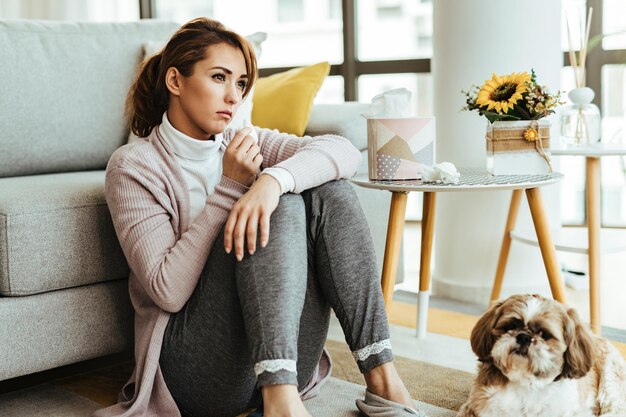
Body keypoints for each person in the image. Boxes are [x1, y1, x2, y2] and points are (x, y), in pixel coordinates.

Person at [94, 17, 426, 417]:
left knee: (322, 189)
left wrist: (270, 180)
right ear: (175, 81)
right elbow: (167, 290)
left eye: (240, 83)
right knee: (281, 204)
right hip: (193, 374)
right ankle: (280, 403)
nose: (233, 96)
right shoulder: (133, 166)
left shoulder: (242, 140)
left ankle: (381, 380)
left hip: (275, 362)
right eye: (219, 77)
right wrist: (233, 189)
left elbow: (342, 153)